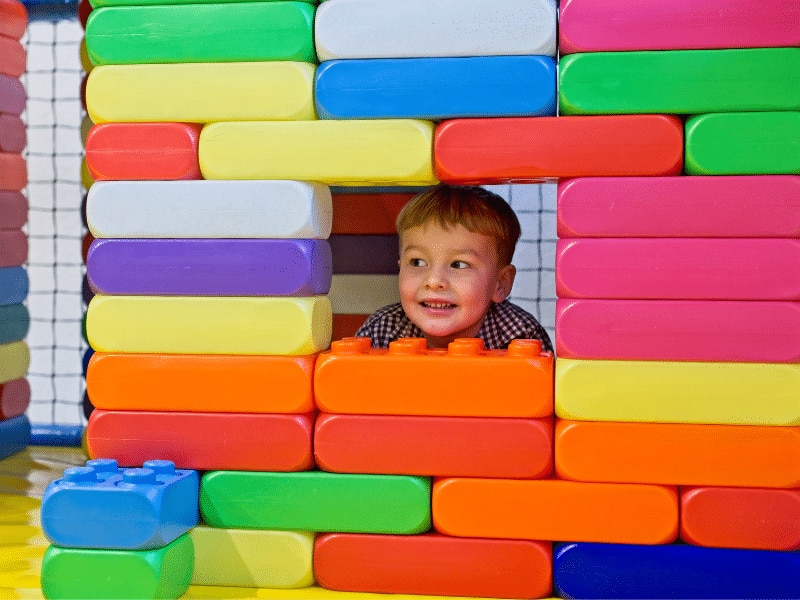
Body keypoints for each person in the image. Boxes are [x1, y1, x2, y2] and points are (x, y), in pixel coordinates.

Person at [355, 184, 553, 351]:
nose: (434, 281)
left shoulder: (520, 337)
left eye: (458, 265)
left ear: (500, 284)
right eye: (417, 262)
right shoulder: (383, 331)